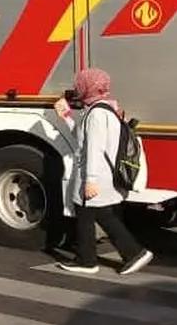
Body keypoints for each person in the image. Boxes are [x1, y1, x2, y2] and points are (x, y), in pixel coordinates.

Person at [56, 68, 154, 275]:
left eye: (80, 84)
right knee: (91, 213)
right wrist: (65, 115)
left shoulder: (97, 114)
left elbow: (94, 148)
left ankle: (128, 254)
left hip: (96, 176)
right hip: (100, 175)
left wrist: (90, 180)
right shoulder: (102, 109)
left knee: (93, 213)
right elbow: (83, 137)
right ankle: (91, 259)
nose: (77, 88)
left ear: (87, 87)